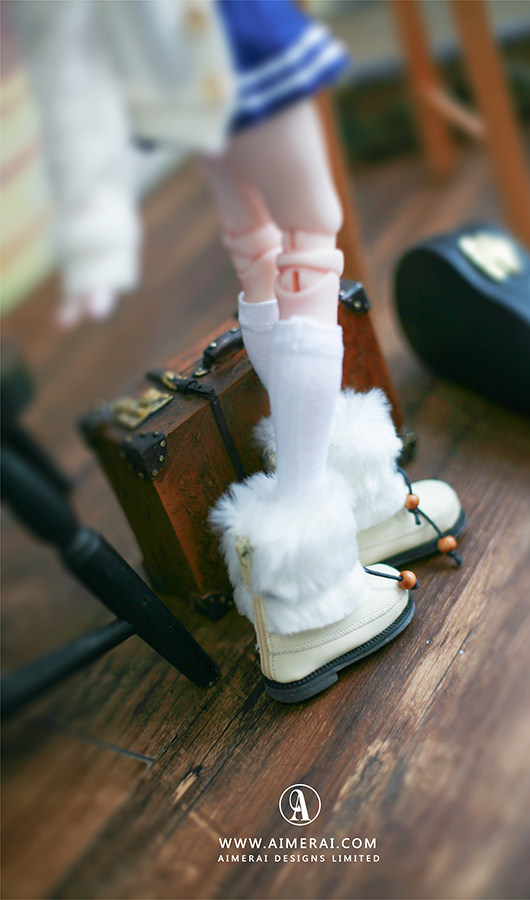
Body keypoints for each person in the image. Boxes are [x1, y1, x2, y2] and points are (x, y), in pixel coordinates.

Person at [14, 0, 464, 702]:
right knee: (307, 239)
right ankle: (312, 590)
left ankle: (350, 511)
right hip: (221, 23)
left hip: (161, 43)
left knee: (258, 243)